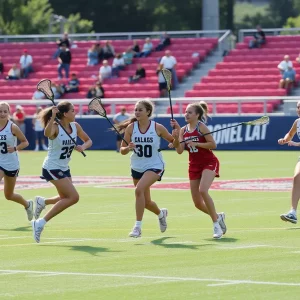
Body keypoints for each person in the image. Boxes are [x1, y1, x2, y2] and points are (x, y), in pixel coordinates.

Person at [31, 101, 92, 243]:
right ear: (65, 114)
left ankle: (43, 201)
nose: (75, 113)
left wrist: (83, 147)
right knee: (73, 197)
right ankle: (40, 222)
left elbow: (88, 140)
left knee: (64, 197)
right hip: (51, 167)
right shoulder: (55, 127)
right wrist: (52, 117)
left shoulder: (75, 126)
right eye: (72, 111)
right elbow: (47, 133)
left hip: (64, 167)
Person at [117, 100, 179, 238]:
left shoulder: (158, 127)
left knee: (138, 190)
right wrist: (128, 148)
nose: (137, 112)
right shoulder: (131, 128)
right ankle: (161, 213)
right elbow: (122, 150)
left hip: (154, 165)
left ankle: (137, 227)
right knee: (145, 202)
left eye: (140, 110)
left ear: (148, 112)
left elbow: (174, 144)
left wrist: (175, 137)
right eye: (136, 109)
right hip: (137, 166)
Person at [169, 102, 226, 239]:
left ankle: (216, 226)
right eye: (185, 112)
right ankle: (218, 217)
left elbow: (213, 145)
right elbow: (180, 151)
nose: (186, 114)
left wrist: (197, 143)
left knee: (203, 190)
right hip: (194, 165)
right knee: (197, 203)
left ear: (197, 115)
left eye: (189, 112)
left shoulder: (201, 127)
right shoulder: (183, 130)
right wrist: (176, 139)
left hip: (208, 162)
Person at [0, 102, 32, 220]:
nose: (2, 114)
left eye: (5, 111)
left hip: (11, 164)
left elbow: (25, 142)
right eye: (0, 111)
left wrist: (15, 148)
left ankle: (27, 204)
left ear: (8, 112)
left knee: (9, 195)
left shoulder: (12, 127)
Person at [279, 101, 300, 224]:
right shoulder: (297, 122)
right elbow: (290, 134)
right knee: (297, 177)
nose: (299, 109)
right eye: (298, 107)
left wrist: (296, 144)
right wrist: (285, 139)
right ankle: (293, 212)